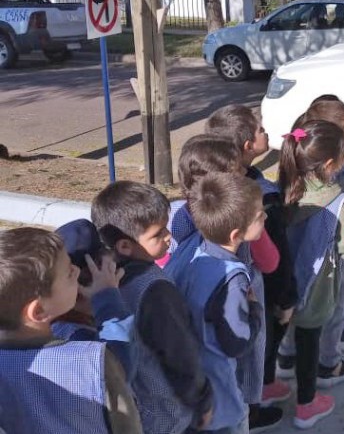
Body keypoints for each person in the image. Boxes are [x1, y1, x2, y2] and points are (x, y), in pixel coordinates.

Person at [91, 181, 213, 434]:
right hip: (167, 412)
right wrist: (202, 400)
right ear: (125, 245)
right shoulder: (156, 290)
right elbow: (180, 353)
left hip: (135, 410)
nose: (168, 237)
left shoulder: (99, 281)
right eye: (158, 234)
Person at [0, 227, 142, 434]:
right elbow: (123, 363)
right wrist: (107, 296)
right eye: (68, 273)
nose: (76, 270)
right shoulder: (92, 360)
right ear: (39, 311)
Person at [206, 105, 296, 428]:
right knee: (252, 357)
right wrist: (285, 299)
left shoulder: (203, 206)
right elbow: (274, 260)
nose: (265, 131)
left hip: (244, 307)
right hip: (258, 301)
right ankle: (252, 411)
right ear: (246, 148)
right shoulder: (258, 199)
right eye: (259, 129)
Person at [279, 119, 344, 429]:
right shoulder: (338, 201)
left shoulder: (285, 188)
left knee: (288, 329)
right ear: (330, 164)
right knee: (309, 341)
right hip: (317, 286)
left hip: (282, 280)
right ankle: (306, 405)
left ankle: (282, 364)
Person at [181, 172, 268, 434]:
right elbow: (237, 342)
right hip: (219, 391)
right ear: (235, 234)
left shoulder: (194, 254)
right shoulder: (232, 279)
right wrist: (254, 310)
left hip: (192, 379)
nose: (266, 217)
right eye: (259, 216)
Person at [52, 219, 135, 381]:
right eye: (113, 272)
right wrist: (108, 296)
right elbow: (119, 371)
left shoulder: (53, 322)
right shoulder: (77, 335)